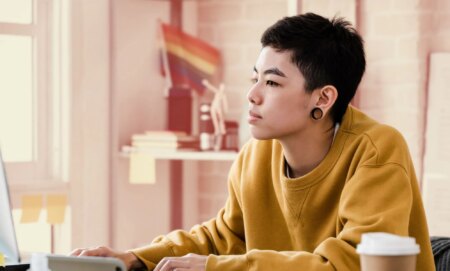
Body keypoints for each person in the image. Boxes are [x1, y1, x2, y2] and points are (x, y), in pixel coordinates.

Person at [71, 13, 436, 270]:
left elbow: (349, 266)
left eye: (273, 83)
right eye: (254, 78)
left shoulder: (376, 151)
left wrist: (215, 268)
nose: (253, 95)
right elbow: (223, 236)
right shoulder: (256, 154)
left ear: (322, 99)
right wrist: (135, 258)